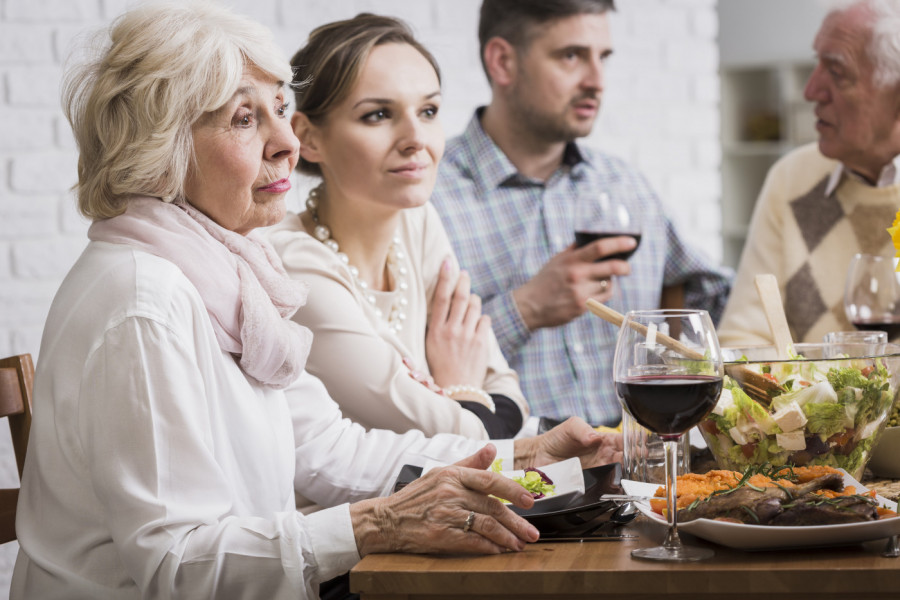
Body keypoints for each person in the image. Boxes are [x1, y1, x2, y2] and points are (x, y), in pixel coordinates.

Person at [10, 4, 624, 599]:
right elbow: (178, 568)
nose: (286, 142)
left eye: (280, 109)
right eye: (244, 119)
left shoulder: (230, 270)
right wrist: (379, 523)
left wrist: (523, 454)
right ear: (159, 148)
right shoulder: (145, 302)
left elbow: (330, 452)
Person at [431, 0, 731, 427]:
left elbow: (709, 296)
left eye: (602, 57)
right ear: (502, 62)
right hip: (516, 462)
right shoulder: (427, 198)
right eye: (571, 56)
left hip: (638, 455)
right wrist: (525, 308)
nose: (597, 81)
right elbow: (406, 371)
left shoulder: (625, 185)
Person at [268, 14, 529, 441]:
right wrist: (461, 388)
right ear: (308, 138)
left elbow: (508, 390)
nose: (415, 138)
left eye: (428, 111)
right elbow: (447, 433)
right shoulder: (290, 263)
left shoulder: (417, 222)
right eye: (378, 115)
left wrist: (465, 403)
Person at [717, 0, 900, 347]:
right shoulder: (792, 178)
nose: (810, 91)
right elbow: (742, 341)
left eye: (837, 71)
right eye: (817, 63)